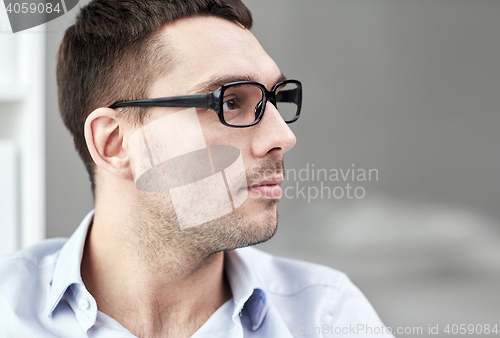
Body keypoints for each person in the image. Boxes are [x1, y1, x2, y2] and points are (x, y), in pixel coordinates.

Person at [0, 0, 394, 337]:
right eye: (230, 102)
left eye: (275, 99)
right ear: (114, 143)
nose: (282, 137)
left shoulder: (327, 315)